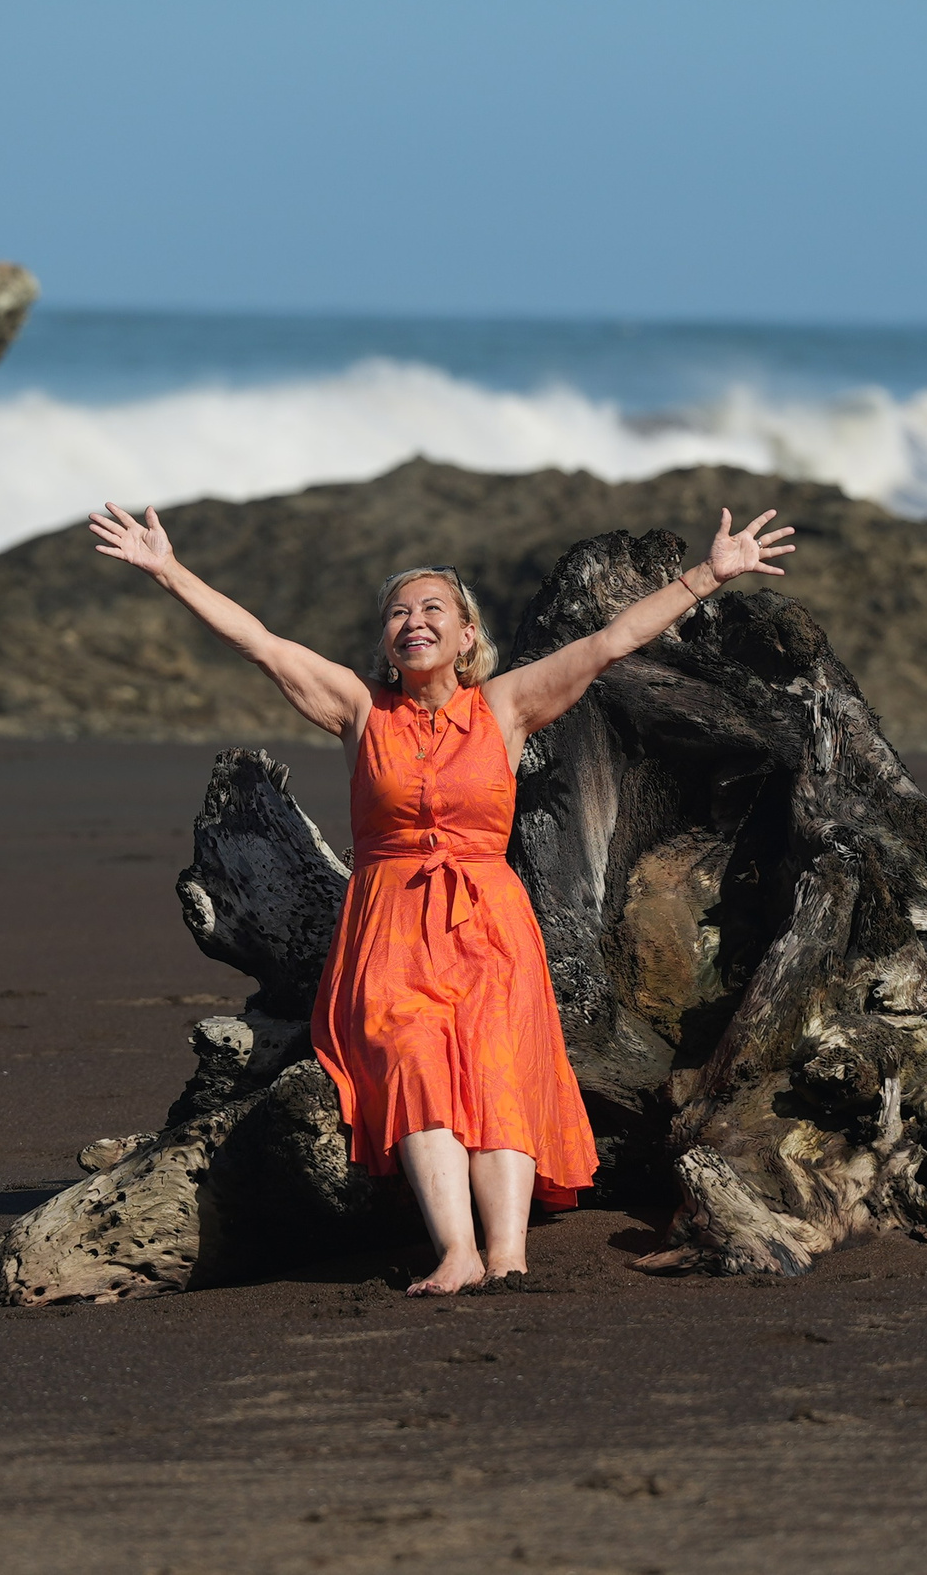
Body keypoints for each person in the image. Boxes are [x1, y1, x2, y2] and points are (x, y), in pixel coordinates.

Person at [87, 502, 797, 1294]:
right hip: (389, 925)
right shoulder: (361, 709)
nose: (413, 621)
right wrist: (166, 569)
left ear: (467, 637)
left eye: (433, 609)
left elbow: (609, 643)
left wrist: (709, 575)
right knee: (414, 1060)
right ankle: (456, 1252)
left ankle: (509, 1256)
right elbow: (259, 641)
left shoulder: (503, 706)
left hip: (489, 921)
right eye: (399, 611)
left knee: (498, 1071)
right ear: (387, 640)